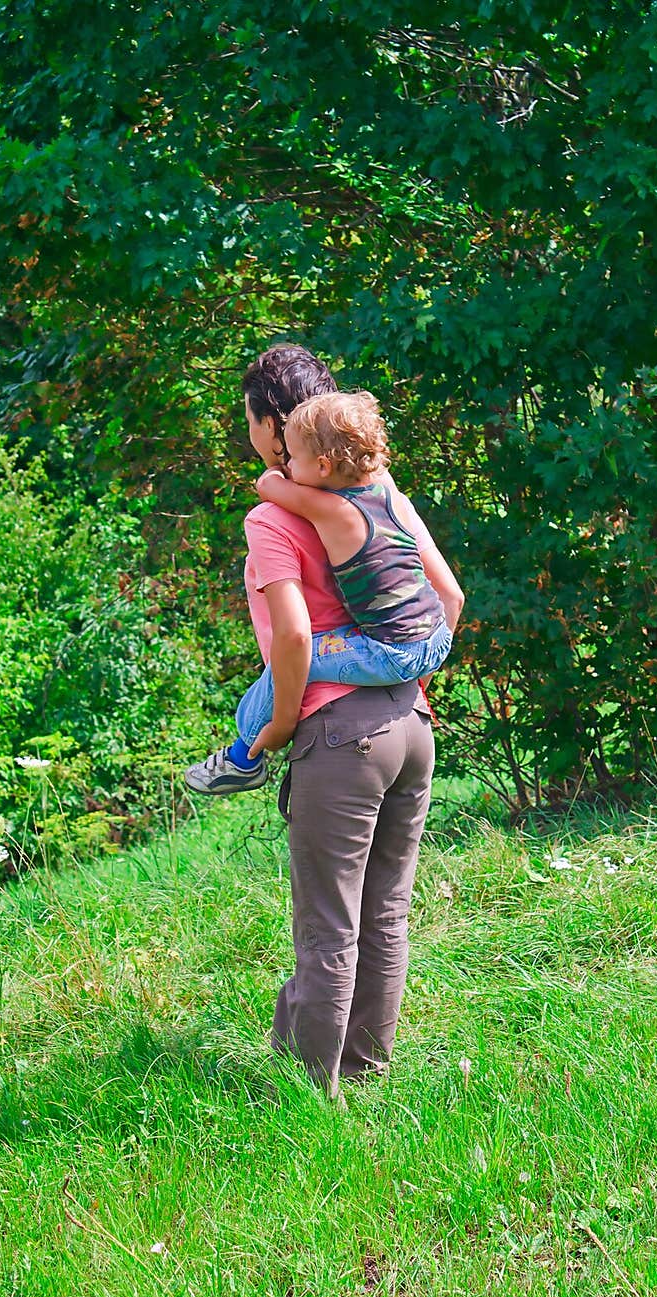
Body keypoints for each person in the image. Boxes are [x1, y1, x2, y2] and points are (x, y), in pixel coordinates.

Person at [197, 343, 464, 1096]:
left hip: (340, 737)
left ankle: (314, 1097)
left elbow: (289, 636)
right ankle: (367, 1077)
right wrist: (405, 676)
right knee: (385, 916)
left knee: (327, 927)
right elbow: (449, 597)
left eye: (246, 415)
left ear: (269, 423)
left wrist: (280, 723)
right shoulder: (380, 491)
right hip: (412, 724)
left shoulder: (272, 520)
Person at [184, 389, 453, 794]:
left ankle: (246, 755)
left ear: (324, 465)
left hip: (393, 652)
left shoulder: (333, 510)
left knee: (294, 657)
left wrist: (274, 473)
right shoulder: (388, 495)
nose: (288, 466)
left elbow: (269, 488)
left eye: (292, 457)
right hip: (436, 638)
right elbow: (453, 596)